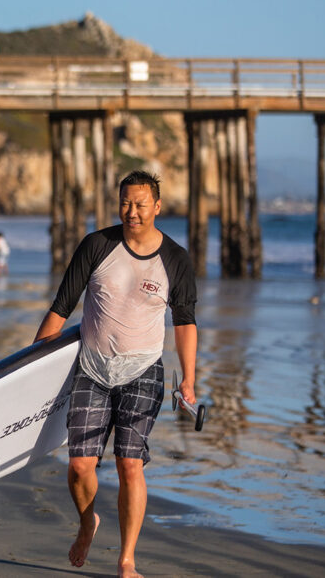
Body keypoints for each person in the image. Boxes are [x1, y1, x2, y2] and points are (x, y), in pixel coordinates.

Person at [33, 170, 197, 576]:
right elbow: (61, 307)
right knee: (79, 467)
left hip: (143, 371)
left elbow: (186, 323)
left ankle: (126, 560)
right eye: (126, 203)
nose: (132, 212)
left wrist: (189, 379)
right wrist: (31, 368)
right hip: (92, 370)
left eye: (141, 204)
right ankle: (88, 521)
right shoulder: (97, 245)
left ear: (157, 207)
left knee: (129, 465)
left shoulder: (175, 259)